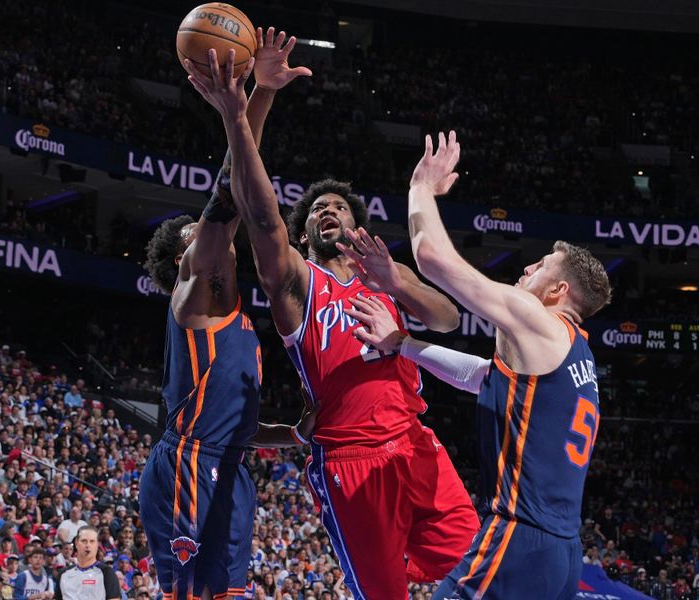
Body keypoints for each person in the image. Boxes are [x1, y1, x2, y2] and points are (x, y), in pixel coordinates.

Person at [185, 46, 480, 599]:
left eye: (338, 207)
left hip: (414, 443)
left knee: (476, 560)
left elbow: (447, 318)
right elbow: (261, 215)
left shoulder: (384, 277)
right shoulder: (299, 286)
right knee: (383, 591)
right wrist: (251, 102)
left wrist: (397, 283)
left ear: (355, 222)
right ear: (305, 237)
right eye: (317, 208)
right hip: (351, 460)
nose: (327, 209)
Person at [352, 130, 610, 599]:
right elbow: (481, 377)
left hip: (519, 538)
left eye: (541, 267)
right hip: (564, 555)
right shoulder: (578, 355)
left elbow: (431, 258)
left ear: (558, 293)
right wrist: (404, 344)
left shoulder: (537, 319)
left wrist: (420, 189)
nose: (527, 270)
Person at [141, 29, 313, 600]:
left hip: (230, 464)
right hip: (189, 463)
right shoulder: (194, 290)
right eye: (195, 237)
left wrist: (288, 434)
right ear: (180, 259)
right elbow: (228, 200)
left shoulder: (235, 313)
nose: (208, 236)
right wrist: (248, 106)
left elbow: (233, 427)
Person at [55, 527, 119, 600]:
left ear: (97, 544)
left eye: (92, 541)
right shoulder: (63, 574)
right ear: (76, 543)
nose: (88, 545)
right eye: (84, 541)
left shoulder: (107, 573)